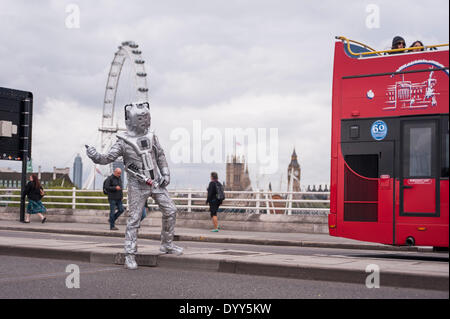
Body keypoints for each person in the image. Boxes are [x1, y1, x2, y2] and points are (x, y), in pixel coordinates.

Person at [86, 101, 183, 270]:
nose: (146, 121)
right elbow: (106, 158)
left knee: (171, 210)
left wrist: (166, 173)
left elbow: (160, 156)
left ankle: (167, 244)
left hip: (156, 182)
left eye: (147, 117)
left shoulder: (152, 137)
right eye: (141, 118)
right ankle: (129, 254)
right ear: (131, 120)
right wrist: (95, 156)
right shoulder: (123, 142)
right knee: (134, 220)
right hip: (137, 185)